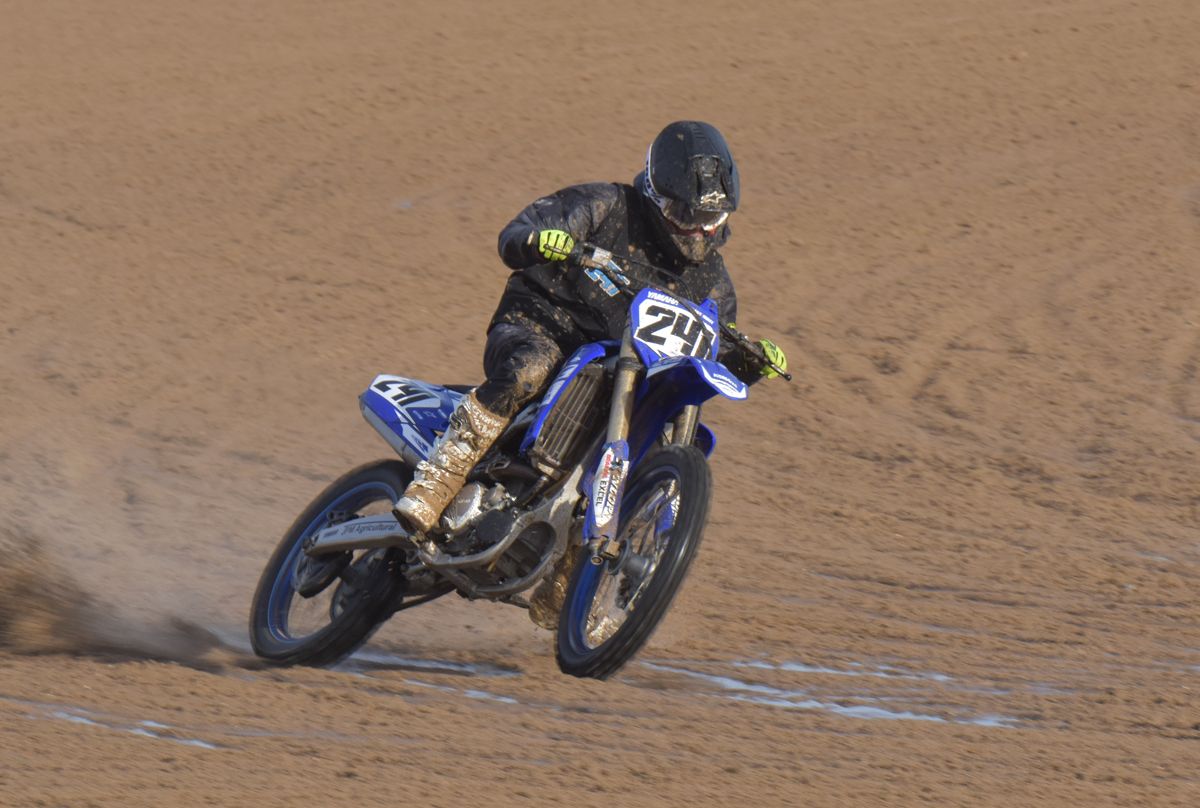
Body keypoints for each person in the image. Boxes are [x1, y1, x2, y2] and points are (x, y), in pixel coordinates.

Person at [392, 121, 787, 624]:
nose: (696, 228)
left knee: (656, 437)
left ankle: (570, 579)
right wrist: (547, 242)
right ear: (655, 192)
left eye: (709, 216)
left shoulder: (715, 282)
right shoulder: (605, 205)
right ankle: (436, 482)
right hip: (542, 324)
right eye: (684, 213)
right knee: (527, 371)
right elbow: (515, 236)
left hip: (624, 374)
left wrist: (749, 362)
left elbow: (711, 346)